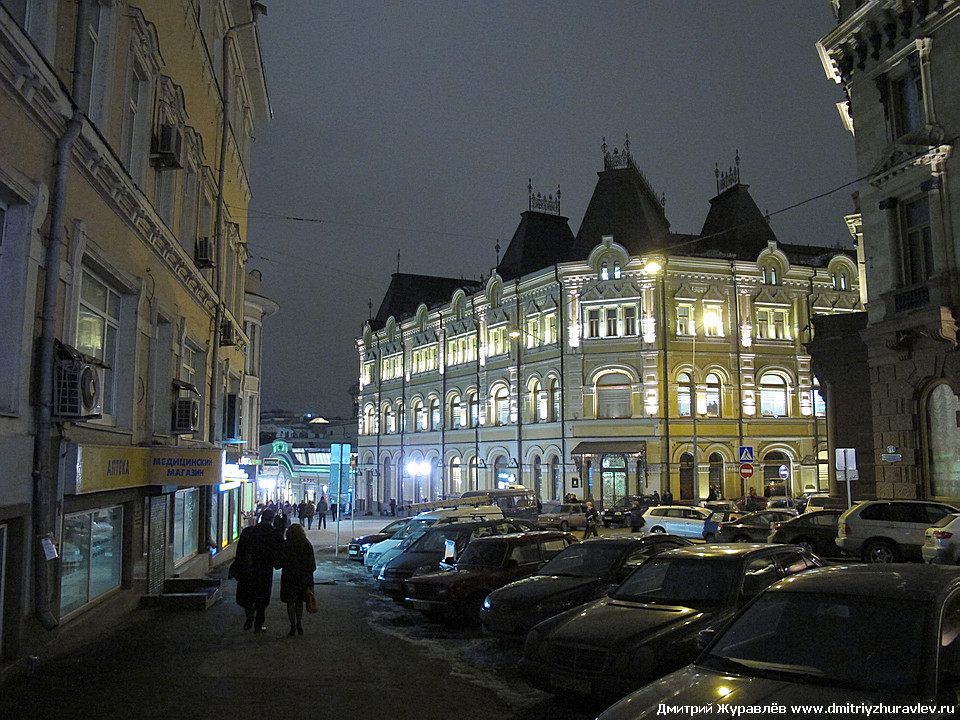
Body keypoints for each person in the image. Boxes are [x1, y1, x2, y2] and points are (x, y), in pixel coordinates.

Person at [231, 508, 282, 632]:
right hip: (264, 570)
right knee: (262, 597)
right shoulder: (275, 534)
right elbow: (280, 553)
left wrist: (239, 565)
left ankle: (249, 613)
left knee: (248, 593)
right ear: (272, 519)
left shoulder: (249, 532)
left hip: (248, 569)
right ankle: (258, 624)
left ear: (261, 517)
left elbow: (240, 551)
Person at [276, 523, 316, 636]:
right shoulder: (306, 544)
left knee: (290, 602)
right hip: (303, 577)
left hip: (289, 577)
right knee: (299, 602)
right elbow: (312, 565)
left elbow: (278, 563)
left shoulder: (285, 545)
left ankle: (292, 626)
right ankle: (299, 623)